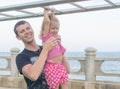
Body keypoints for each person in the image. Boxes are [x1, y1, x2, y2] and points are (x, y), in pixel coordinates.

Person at [14, 20, 58, 89]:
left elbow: (66, 69)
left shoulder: (46, 47)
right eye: (22, 31)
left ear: (32, 29)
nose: (26, 32)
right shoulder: (21, 57)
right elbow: (33, 75)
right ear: (18, 37)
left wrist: (59, 48)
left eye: (28, 28)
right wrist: (45, 49)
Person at [40, 7, 70, 89]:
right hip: (51, 66)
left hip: (60, 66)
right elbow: (47, 23)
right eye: (53, 28)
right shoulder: (46, 36)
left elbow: (54, 22)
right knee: (54, 86)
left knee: (64, 83)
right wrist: (45, 13)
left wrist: (53, 14)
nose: (55, 30)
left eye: (57, 28)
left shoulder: (56, 37)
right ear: (46, 29)